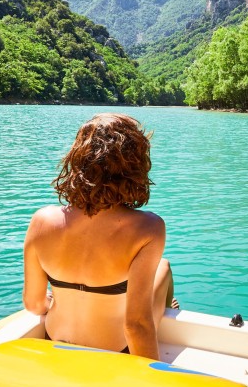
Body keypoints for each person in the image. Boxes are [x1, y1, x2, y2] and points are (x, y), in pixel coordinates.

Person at [22, 113, 177, 360]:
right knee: (164, 268)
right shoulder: (148, 227)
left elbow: (34, 305)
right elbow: (136, 325)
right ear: (135, 166)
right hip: (115, 350)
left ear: (76, 161)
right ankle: (170, 309)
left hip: (55, 341)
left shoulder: (42, 220)